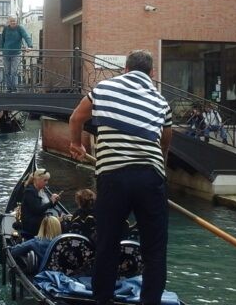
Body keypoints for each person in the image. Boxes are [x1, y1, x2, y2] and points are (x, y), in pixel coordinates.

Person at [68, 50, 172, 305]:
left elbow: (76, 118)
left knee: (107, 243)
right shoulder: (161, 102)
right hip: (150, 176)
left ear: (125, 69)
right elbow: (165, 142)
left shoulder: (104, 88)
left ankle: (103, 300)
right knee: (155, 250)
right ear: (152, 73)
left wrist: (75, 144)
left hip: (113, 176)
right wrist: (160, 172)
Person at [20, 168, 60, 240]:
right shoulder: (30, 192)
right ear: (37, 180)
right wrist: (51, 202)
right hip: (31, 224)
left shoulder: (39, 190)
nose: (47, 182)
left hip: (38, 219)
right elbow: (37, 210)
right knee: (58, 224)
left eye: (47, 180)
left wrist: (54, 201)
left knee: (58, 221)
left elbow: (46, 206)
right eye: (45, 180)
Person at [0, 17, 33, 92]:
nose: (13, 22)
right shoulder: (6, 29)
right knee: (7, 71)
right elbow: (2, 39)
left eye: (14, 21)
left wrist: (30, 46)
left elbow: (26, 36)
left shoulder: (20, 28)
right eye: (11, 21)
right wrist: (1, 50)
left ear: (16, 21)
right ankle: (8, 88)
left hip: (16, 54)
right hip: (6, 53)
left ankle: (14, 89)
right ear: (8, 21)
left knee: (14, 71)